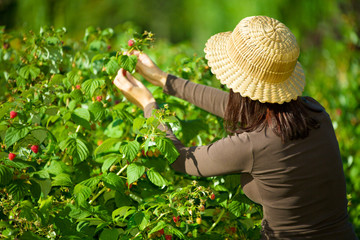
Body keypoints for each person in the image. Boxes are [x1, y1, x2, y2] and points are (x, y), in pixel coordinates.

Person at [113, 16, 358, 240]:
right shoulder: (315, 113)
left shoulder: (252, 146)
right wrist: (163, 79)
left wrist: (148, 104)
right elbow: (241, 110)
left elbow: (183, 160)